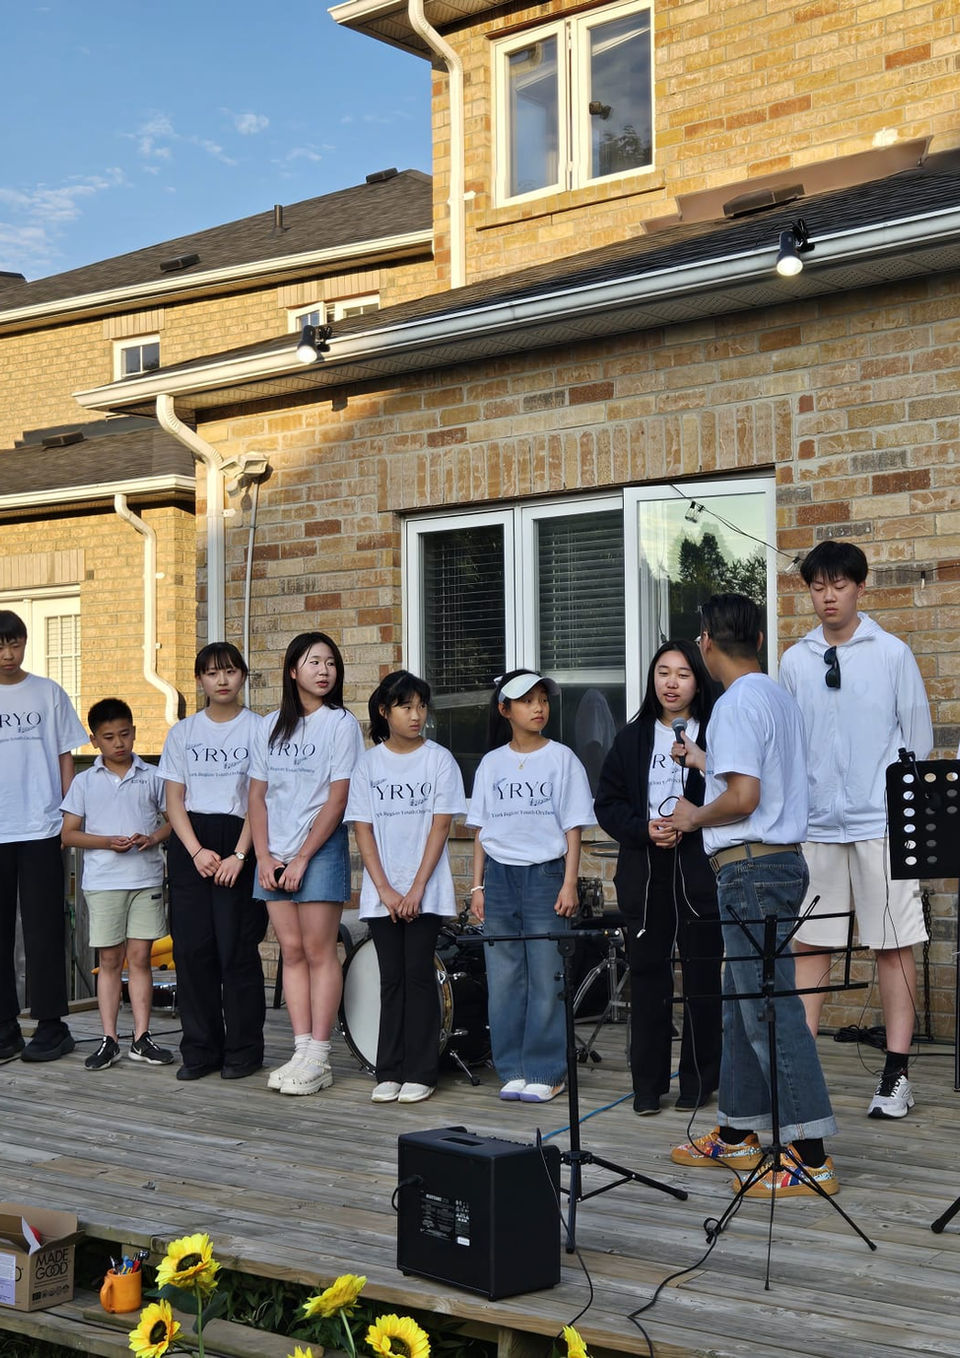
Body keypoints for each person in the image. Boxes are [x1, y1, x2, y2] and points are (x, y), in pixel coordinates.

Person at [668, 594, 839, 1198]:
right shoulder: (774, 696)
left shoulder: (735, 703)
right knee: (744, 1002)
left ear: (706, 642)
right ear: (760, 641)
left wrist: (692, 816)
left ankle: (810, 1153)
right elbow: (756, 778)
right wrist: (705, 762)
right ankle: (738, 1132)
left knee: (768, 1005)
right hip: (775, 864)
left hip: (751, 870)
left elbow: (744, 799)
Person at [779, 540, 933, 1120]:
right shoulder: (795, 661)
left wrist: (889, 804)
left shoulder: (891, 653)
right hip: (816, 828)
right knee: (810, 946)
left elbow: (917, 740)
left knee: (892, 945)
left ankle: (896, 1074)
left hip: (880, 826)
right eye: (818, 587)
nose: (828, 597)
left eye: (839, 585)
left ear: (860, 587)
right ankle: (800, 1074)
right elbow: (788, 748)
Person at [595, 640, 722, 1115]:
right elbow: (607, 804)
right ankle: (647, 1086)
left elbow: (736, 794)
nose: (672, 683)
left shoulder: (717, 732)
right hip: (646, 870)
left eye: (683, 674)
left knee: (702, 975)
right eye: (663, 673)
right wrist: (643, 829)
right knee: (648, 977)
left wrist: (694, 820)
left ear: (699, 682)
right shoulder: (632, 737)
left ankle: (698, 1081)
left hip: (699, 868)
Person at [467, 670, 595, 1104]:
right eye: (527, 701)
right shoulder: (491, 763)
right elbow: (480, 830)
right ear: (505, 709)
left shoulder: (562, 759)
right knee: (504, 977)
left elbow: (574, 827)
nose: (538, 708)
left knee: (546, 974)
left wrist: (569, 881)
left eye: (543, 699)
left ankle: (546, 1070)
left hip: (545, 875)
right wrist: (477, 887)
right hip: (500, 877)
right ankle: (513, 1068)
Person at [248, 632, 364, 1096]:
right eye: (314, 662)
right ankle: (300, 1050)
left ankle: (319, 1054)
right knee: (290, 951)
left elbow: (339, 798)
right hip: (273, 852)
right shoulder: (269, 725)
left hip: (319, 849)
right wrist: (262, 855)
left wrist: (301, 857)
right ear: (293, 670)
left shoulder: (340, 724)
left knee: (319, 951)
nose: (324, 670)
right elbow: (257, 795)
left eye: (331, 663)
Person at [346, 670, 466, 1104]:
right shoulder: (368, 764)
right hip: (383, 893)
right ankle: (389, 1070)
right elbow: (363, 830)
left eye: (421, 707)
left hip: (425, 892)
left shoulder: (439, 760)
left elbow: (440, 827)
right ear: (385, 711)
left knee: (418, 977)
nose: (416, 715)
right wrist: (385, 890)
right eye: (405, 707)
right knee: (390, 980)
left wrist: (415, 889)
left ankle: (421, 1071)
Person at [159, 642, 266, 1081]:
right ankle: (201, 1050)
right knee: (192, 950)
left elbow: (260, 799)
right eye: (212, 672)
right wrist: (195, 850)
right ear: (200, 679)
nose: (222, 680)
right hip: (192, 844)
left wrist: (240, 854)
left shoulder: (260, 729)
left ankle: (244, 1050)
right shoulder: (183, 733)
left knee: (237, 950)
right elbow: (174, 799)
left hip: (242, 840)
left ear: (243, 676)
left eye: (230, 671)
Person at [60, 698, 173, 1070]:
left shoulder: (153, 775)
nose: (118, 743)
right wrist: (107, 842)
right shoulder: (84, 781)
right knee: (109, 960)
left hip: (146, 879)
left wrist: (153, 838)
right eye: (108, 737)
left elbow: (175, 821)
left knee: (140, 959)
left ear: (135, 732)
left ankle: (142, 1038)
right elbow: (69, 834)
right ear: (94, 741)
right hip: (104, 882)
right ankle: (109, 1038)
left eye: (124, 734)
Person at [0, 609, 87, 1064]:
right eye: (0, 646)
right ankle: (4, 1027)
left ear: (24, 643)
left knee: (44, 929)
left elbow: (65, 757)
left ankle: (53, 1026)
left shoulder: (48, 692)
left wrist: (68, 817)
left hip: (42, 827)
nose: (8, 654)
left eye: (14, 644)